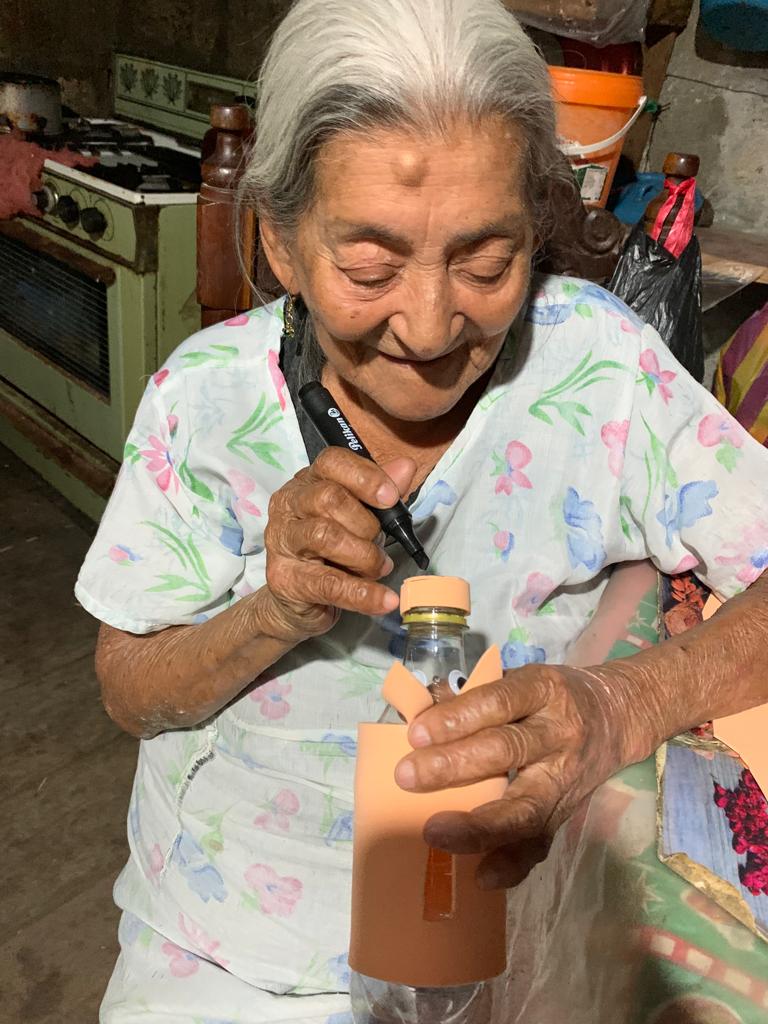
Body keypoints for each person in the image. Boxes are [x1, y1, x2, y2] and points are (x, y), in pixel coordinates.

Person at [75, 1, 768, 1021]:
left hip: (504, 941)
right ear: (280, 241)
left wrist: (622, 703)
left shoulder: (597, 368)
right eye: (370, 267)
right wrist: (272, 612)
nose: (434, 326)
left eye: (487, 263)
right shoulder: (204, 400)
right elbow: (131, 691)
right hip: (231, 948)